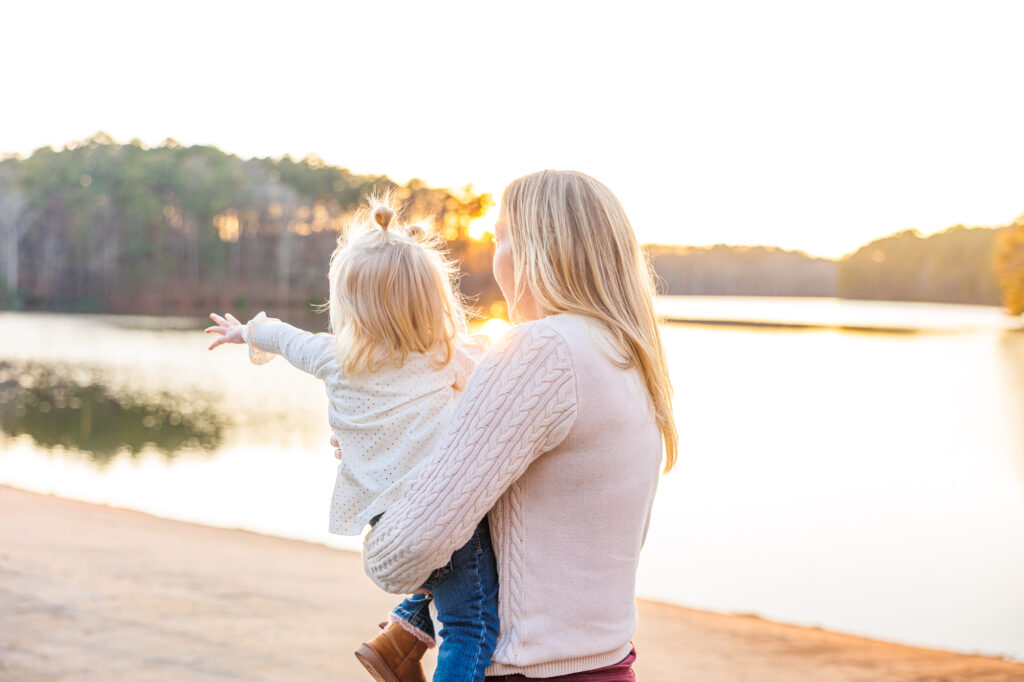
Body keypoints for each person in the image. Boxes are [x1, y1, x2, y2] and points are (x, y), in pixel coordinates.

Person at [360, 170, 678, 680]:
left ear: (538, 250)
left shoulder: (543, 349)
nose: (496, 257)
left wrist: (375, 478)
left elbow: (401, 557)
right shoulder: (632, 359)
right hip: (610, 663)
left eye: (500, 238)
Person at [205, 195, 498, 682]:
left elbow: (282, 336)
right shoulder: (444, 356)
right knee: (471, 625)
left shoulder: (333, 357)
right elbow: (498, 388)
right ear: (432, 300)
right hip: (443, 520)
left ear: (346, 303)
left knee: (446, 589)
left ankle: (402, 630)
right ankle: (408, 628)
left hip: (387, 526)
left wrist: (244, 332)